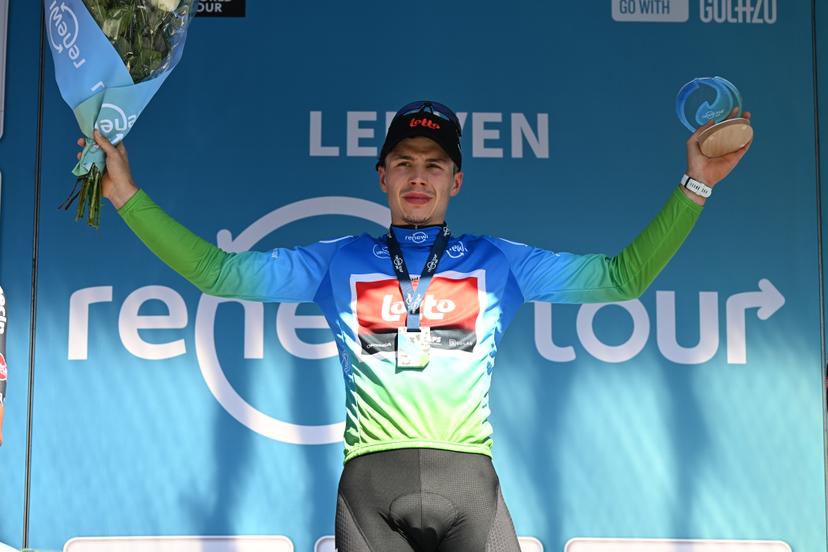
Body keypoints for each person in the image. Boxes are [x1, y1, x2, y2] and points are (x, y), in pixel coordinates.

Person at [79, 100, 750, 551]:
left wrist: (697, 186)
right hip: (369, 493)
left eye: (434, 166)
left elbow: (621, 279)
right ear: (382, 176)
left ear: (456, 180)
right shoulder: (335, 260)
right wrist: (127, 198)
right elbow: (219, 275)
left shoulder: (500, 262)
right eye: (405, 163)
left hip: (472, 489)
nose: (418, 177)